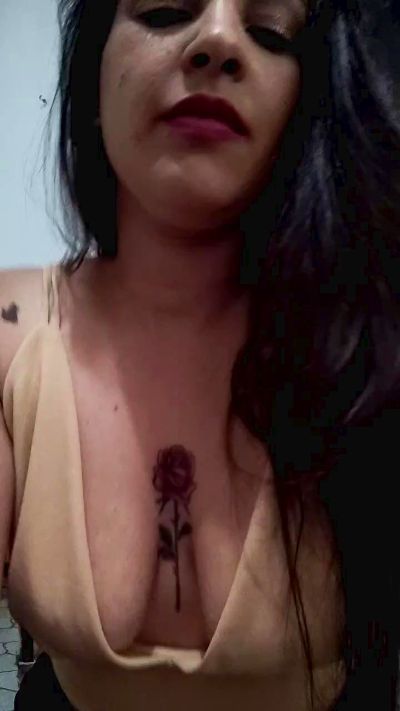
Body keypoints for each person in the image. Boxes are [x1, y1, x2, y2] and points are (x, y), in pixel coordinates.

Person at [1, 0, 399, 708]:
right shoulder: (13, 331)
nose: (217, 39)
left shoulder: (374, 345)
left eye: (270, 33)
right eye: (164, 11)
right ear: (94, 77)